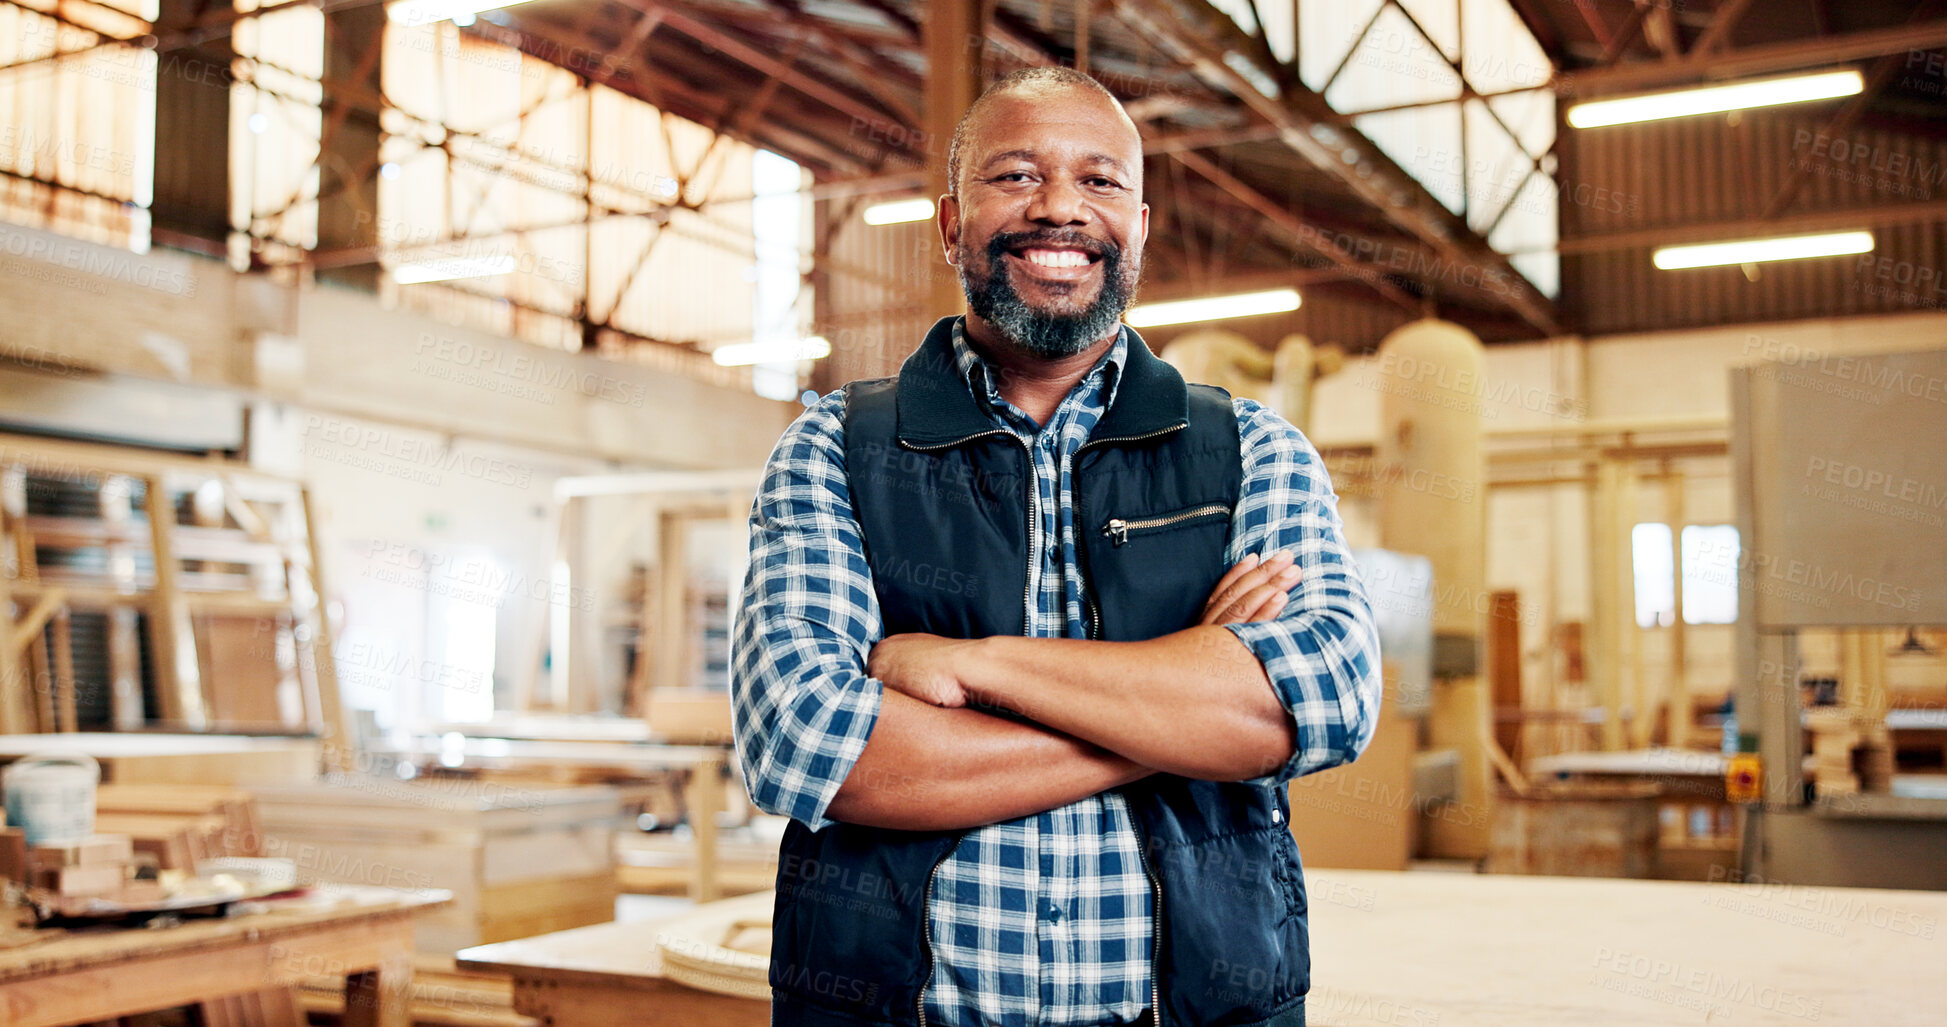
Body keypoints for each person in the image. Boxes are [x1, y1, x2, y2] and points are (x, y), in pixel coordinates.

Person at [732, 66, 1382, 1027]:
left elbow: (1322, 701)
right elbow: (813, 744)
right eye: (1016, 176)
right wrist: (1177, 717)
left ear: (1140, 227)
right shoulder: (837, 449)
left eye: (1100, 181)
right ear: (951, 224)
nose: (1060, 209)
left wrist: (972, 666)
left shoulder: (1250, 451)